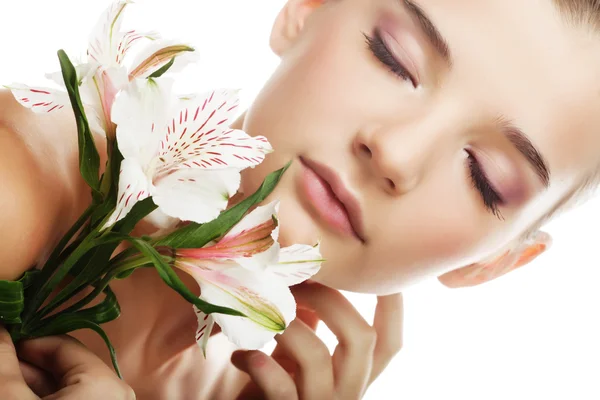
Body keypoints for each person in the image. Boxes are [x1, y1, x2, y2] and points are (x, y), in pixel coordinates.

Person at [1, 0, 599, 397]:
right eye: (395, 58)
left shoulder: (239, 386)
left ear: (491, 263)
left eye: (484, 175)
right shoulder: (17, 186)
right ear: (306, 8)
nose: (394, 152)